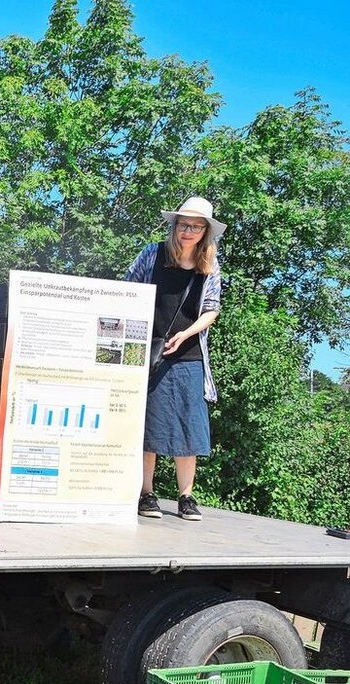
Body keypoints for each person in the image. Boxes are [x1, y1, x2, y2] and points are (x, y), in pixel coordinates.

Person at [124, 196, 224, 522]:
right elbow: (128, 290)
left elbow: (211, 310)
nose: (188, 231)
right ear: (174, 225)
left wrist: (187, 333)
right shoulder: (153, 254)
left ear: (205, 231)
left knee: (189, 426)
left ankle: (186, 497)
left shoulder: (209, 263)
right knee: (149, 425)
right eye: (183, 224)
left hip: (190, 355)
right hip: (150, 354)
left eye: (195, 226)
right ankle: (146, 493)